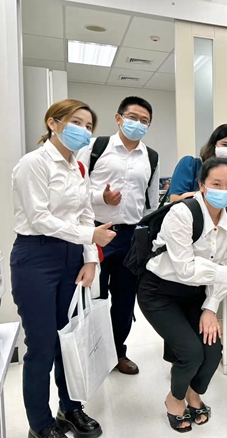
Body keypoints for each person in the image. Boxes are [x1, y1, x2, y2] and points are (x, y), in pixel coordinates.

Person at [11, 99, 116, 438]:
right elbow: (39, 218)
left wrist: (90, 257)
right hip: (36, 256)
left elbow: (85, 213)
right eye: (76, 122)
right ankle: (40, 425)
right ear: (53, 123)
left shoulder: (77, 167)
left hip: (73, 256)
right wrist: (89, 237)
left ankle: (70, 408)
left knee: (70, 339)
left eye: (89, 126)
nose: (83, 130)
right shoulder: (33, 163)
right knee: (41, 345)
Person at [137, 157, 227, 432]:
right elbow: (186, 268)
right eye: (217, 184)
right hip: (159, 292)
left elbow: (224, 263)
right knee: (191, 353)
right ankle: (174, 399)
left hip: (194, 294)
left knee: (212, 351)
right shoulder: (181, 214)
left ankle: (193, 393)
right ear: (202, 185)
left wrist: (210, 308)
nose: (224, 190)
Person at [77, 96, 159, 375]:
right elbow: (75, 190)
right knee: (93, 299)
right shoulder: (94, 147)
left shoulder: (151, 157)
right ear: (119, 118)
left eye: (144, 120)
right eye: (133, 117)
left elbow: (151, 203)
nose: (138, 123)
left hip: (130, 238)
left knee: (124, 301)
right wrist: (101, 197)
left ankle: (117, 353)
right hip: (96, 232)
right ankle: (91, 354)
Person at [168, 124, 227, 225]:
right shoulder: (190, 165)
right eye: (225, 145)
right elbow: (174, 200)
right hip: (186, 226)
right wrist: (208, 195)